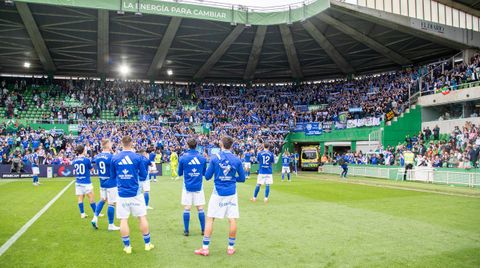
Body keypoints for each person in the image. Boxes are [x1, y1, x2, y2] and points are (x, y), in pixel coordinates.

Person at [195, 136, 245, 256]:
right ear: (231, 146)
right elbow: (242, 178)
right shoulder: (236, 159)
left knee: (210, 218)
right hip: (232, 192)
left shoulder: (214, 158)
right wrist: (232, 178)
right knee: (232, 219)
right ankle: (230, 248)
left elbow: (207, 176)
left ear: (221, 145)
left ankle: (205, 248)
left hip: (218, 192)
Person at [111, 136, 153, 254]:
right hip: (136, 193)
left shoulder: (115, 158)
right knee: (142, 217)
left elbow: (113, 176)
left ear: (121, 143)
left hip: (122, 193)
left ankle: (128, 247)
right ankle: (147, 244)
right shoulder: (138, 157)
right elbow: (144, 176)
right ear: (132, 143)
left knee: (123, 220)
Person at [178, 138, 207, 236]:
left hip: (187, 186)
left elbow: (179, 173)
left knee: (187, 208)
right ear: (197, 145)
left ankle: (186, 231)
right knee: (200, 208)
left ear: (187, 145)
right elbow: (204, 173)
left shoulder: (183, 158)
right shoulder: (202, 158)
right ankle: (203, 230)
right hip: (199, 185)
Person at [91, 139, 120, 231]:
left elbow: (94, 161)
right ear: (107, 145)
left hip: (102, 182)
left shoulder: (97, 156)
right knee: (111, 203)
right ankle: (111, 225)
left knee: (103, 199)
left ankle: (95, 218)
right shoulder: (112, 157)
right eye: (110, 143)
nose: (112, 145)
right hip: (111, 182)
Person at [72, 145, 96, 219]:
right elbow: (92, 169)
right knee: (91, 197)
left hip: (78, 181)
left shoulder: (74, 160)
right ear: (83, 151)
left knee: (80, 197)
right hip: (86, 181)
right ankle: (96, 213)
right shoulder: (86, 160)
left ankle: (82, 213)